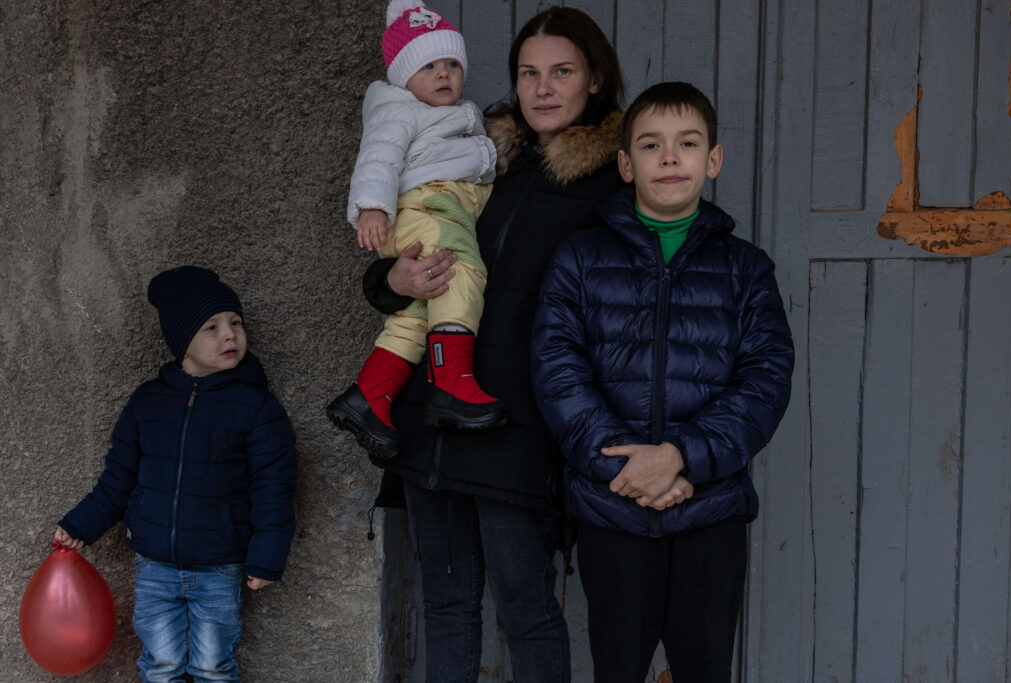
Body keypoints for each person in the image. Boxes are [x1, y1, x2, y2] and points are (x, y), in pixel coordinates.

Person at [358, 7, 626, 680]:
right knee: (445, 605)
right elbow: (403, 251)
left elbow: (618, 318)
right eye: (527, 73)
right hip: (429, 421)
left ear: (594, 79)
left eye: (561, 72)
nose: (542, 88)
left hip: (516, 427)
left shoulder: (611, 185)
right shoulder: (474, 154)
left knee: (525, 608)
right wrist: (393, 276)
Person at [531, 82, 795, 682]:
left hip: (710, 513)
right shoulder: (580, 258)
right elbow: (557, 369)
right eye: (651, 145)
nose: (670, 158)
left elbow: (766, 379)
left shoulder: (745, 270)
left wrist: (680, 458)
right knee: (616, 669)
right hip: (612, 510)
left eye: (687, 143)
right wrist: (626, 470)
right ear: (626, 164)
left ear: (713, 160)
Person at [55, 266, 297, 683]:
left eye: (235, 323)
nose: (229, 335)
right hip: (155, 567)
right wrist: (80, 524)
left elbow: (274, 488)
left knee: (211, 667)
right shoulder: (148, 403)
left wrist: (267, 555)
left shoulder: (257, 408)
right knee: (161, 666)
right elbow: (118, 478)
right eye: (212, 326)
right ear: (182, 340)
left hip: (219, 567)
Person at [327, 0, 503, 457]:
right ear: (404, 76)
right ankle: (450, 381)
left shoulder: (455, 113)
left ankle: (368, 395)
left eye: (451, 64)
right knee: (458, 270)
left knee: (416, 310)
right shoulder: (398, 109)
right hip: (425, 206)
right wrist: (371, 207)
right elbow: (379, 157)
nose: (444, 73)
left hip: (441, 205)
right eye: (428, 65)